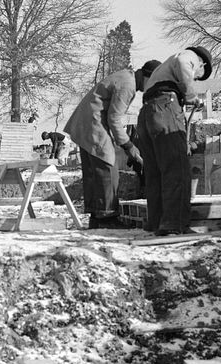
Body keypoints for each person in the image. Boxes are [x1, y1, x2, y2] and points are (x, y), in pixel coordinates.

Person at [64, 59, 161, 229]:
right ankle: (107, 218)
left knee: (94, 170)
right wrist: (128, 146)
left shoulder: (126, 76)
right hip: (93, 122)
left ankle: (96, 217)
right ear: (147, 77)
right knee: (107, 168)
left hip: (86, 122)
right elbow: (114, 118)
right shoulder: (128, 85)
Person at [137, 47, 213, 236]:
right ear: (202, 64)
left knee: (155, 172)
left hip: (148, 112)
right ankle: (174, 224)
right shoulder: (189, 56)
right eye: (198, 76)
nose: (194, 79)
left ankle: (157, 222)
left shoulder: (162, 69)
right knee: (176, 168)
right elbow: (183, 64)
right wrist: (190, 96)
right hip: (166, 107)